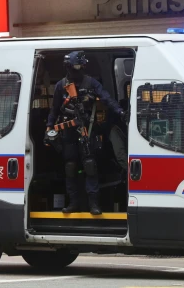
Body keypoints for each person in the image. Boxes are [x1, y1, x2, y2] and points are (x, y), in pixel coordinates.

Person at [46, 51, 125, 215]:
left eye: (81, 65)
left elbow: (106, 98)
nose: (79, 69)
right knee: (70, 167)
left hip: (86, 130)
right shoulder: (62, 85)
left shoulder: (91, 82)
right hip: (68, 132)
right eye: (77, 65)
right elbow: (54, 110)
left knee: (90, 166)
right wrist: (49, 127)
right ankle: (73, 203)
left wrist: (120, 111)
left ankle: (94, 204)